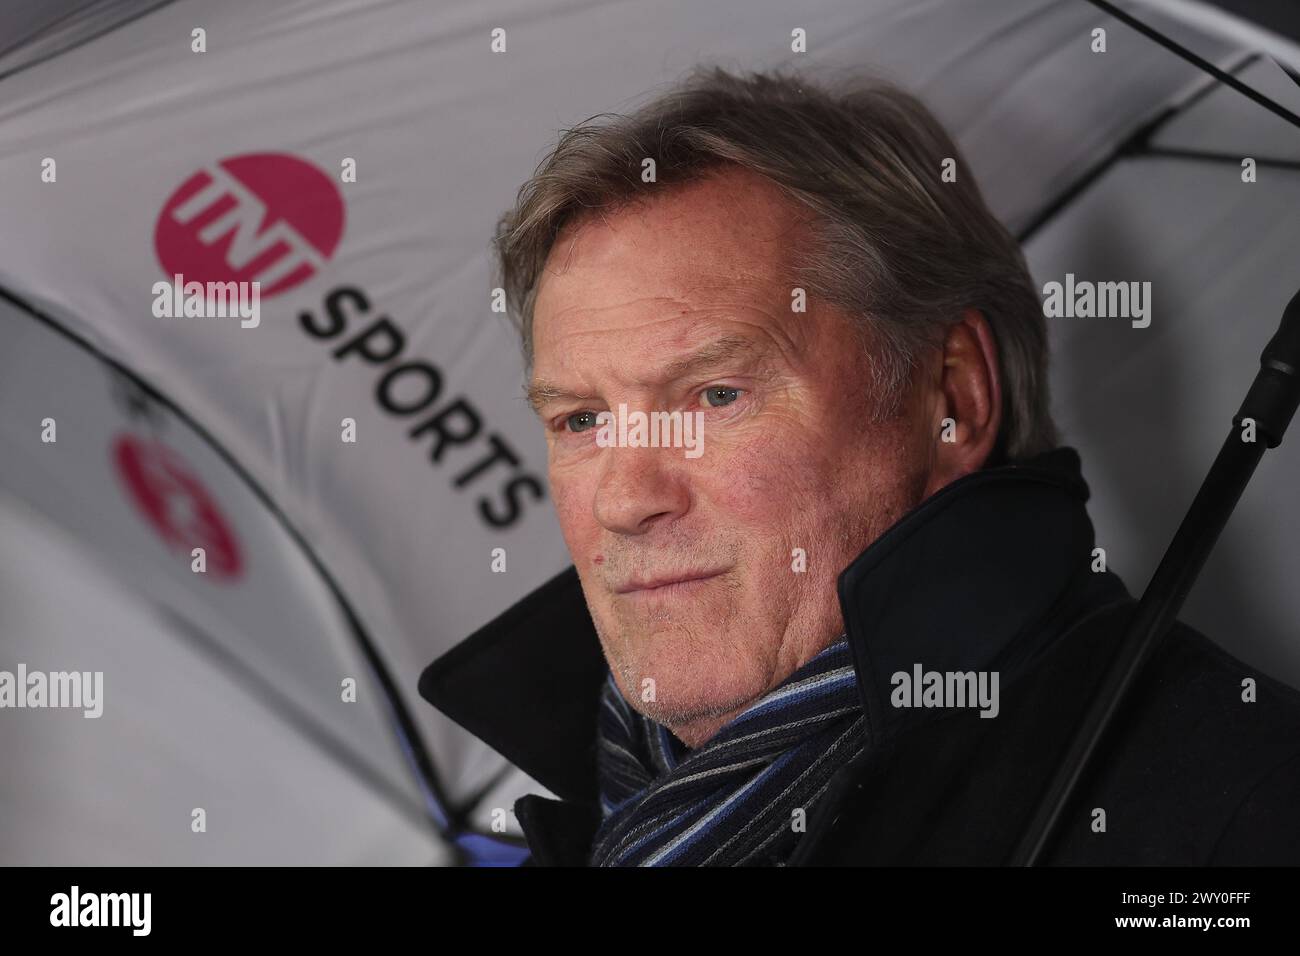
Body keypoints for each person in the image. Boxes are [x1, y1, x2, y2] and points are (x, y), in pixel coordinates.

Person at [418, 67, 1300, 866]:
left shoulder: (1243, 814)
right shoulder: (601, 829)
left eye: (715, 397)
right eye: (580, 419)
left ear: (952, 395)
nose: (623, 498)